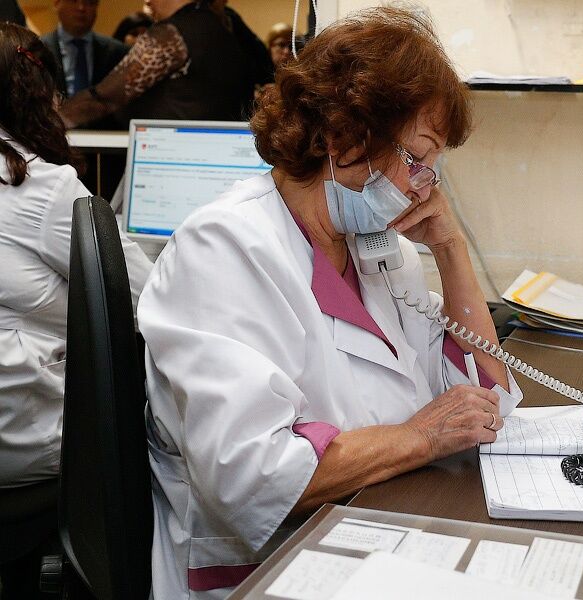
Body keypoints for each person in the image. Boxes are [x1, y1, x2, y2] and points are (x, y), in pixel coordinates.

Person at [137, 7, 522, 598]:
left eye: (433, 168)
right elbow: (249, 476)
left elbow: (484, 396)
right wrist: (420, 435)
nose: (425, 188)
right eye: (418, 161)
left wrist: (451, 250)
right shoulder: (225, 248)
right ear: (344, 137)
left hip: (380, 522)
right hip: (271, 564)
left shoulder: (378, 249)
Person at [0, 22, 152, 597]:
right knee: (169, 422)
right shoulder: (43, 187)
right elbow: (147, 296)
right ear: (43, 97)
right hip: (22, 445)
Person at [59, 0, 256, 128]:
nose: (147, 2)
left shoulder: (170, 34)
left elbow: (105, 97)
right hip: (218, 157)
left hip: (169, 156)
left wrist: (50, 123)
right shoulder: (223, 31)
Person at [40, 0, 127, 99]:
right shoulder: (38, 51)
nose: (81, 8)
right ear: (57, 3)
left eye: (89, 2)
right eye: (74, 1)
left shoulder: (118, 52)